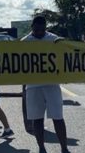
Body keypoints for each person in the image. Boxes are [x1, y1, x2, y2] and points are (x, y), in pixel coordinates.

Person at [21, 16, 70, 153]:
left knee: (58, 117)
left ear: (45, 27)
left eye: (42, 30)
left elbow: (64, 55)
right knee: (37, 119)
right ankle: (41, 148)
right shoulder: (24, 42)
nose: (39, 32)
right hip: (33, 86)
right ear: (32, 27)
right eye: (37, 30)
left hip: (52, 84)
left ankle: (64, 148)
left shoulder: (54, 40)